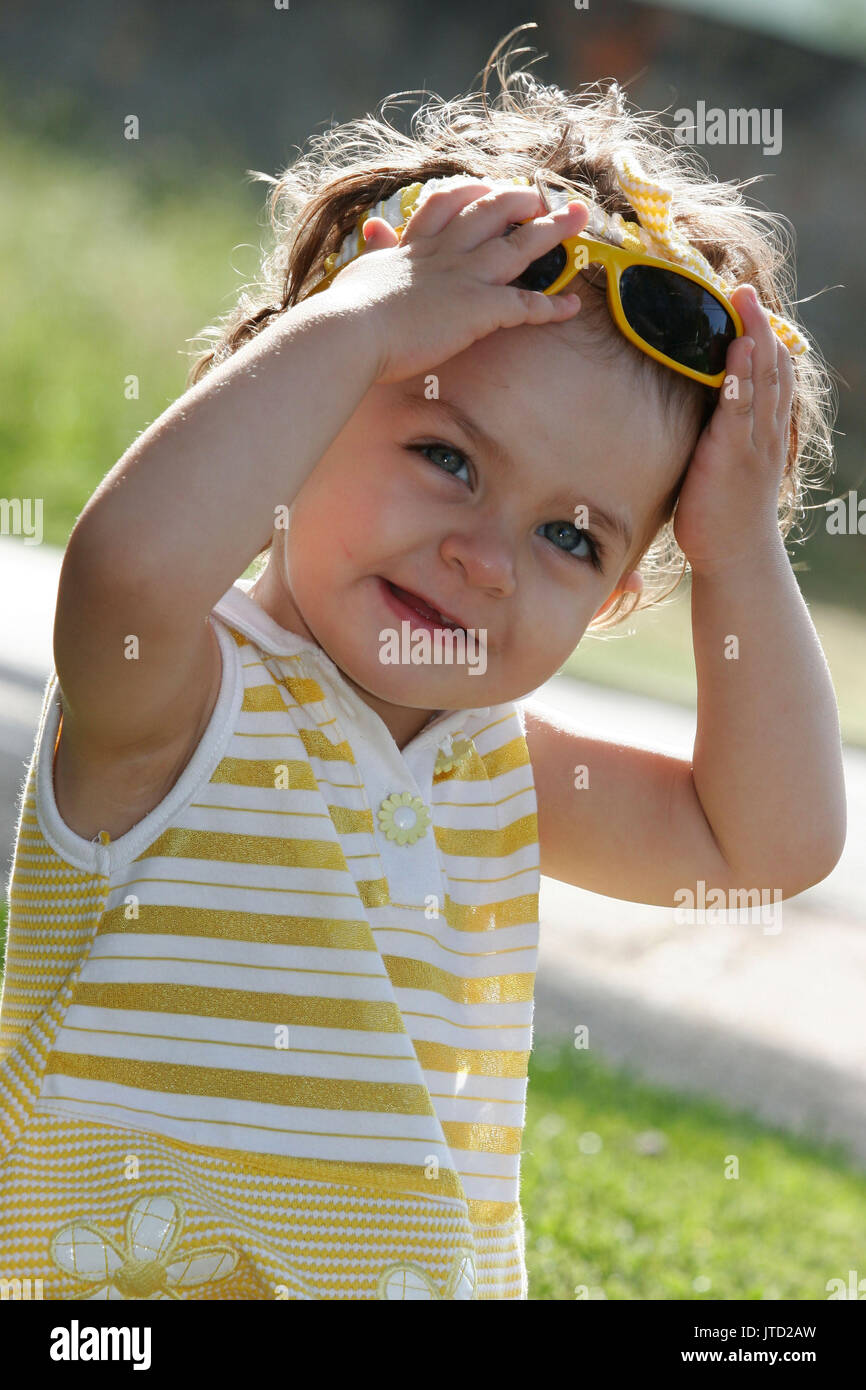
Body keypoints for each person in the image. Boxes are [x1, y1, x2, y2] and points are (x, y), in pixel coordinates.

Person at [0, 32, 846, 1300]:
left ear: (615, 598)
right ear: (300, 391)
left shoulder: (502, 776)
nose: (484, 558)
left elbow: (766, 844)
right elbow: (120, 576)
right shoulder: (186, 695)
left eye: (569, 535)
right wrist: (364, 320)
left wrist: (736, 556)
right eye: (448, 455)